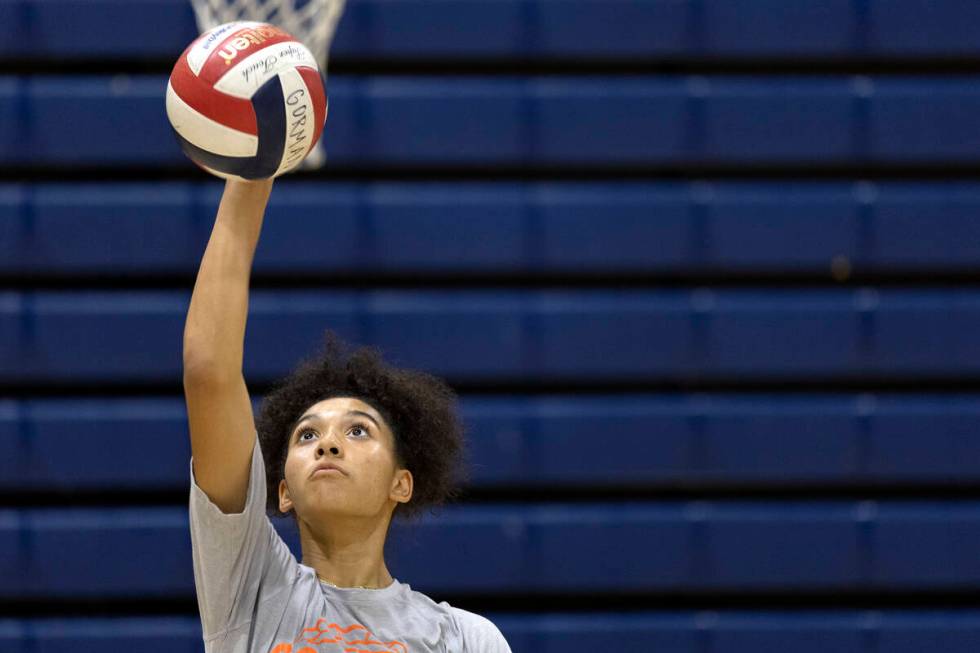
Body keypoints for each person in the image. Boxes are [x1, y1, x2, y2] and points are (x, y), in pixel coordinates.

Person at [182, 178, 513, 653]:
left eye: (358, 430)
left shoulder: (466, 637)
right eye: (306, 435)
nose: (328, 443)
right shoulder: (253, 589)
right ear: (283, 492)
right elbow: (208, 371)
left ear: (402, 482)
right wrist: (253, 171)